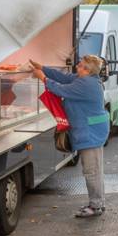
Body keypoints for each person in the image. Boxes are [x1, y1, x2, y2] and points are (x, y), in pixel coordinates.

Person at [30, 55, 109, 218]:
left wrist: (43, 78)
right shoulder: (87, 79)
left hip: (90, 132)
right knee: (95, 170)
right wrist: (43, 67)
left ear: (87, 70)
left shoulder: (86, 84)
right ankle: (98, 202)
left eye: (79, 66)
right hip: (93, 130)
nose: (77, 68)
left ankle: (96, 206)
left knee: (91, 171)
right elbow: (64, 77)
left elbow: (60, 89)